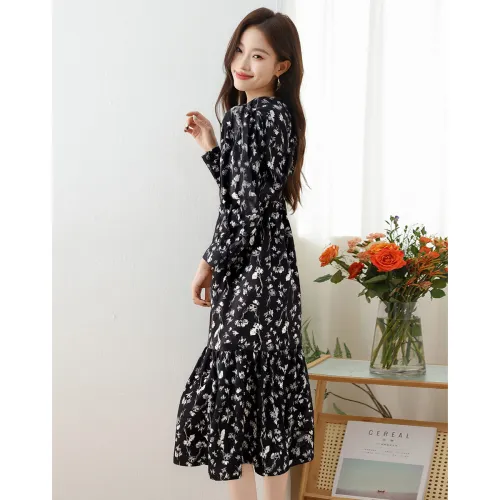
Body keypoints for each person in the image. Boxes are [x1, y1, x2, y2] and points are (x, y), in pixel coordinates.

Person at [173, 8, 314, 500]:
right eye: (239, 51)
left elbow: (244, 208)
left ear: (281, 66)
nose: (242, 63)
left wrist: (207, 262)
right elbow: (248, 192)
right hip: (273, 273)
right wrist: (212, 147)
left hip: (251, 275)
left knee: (240, 400)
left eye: (258, 56)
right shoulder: (278, 116)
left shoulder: (249, 116)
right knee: (264, 409)